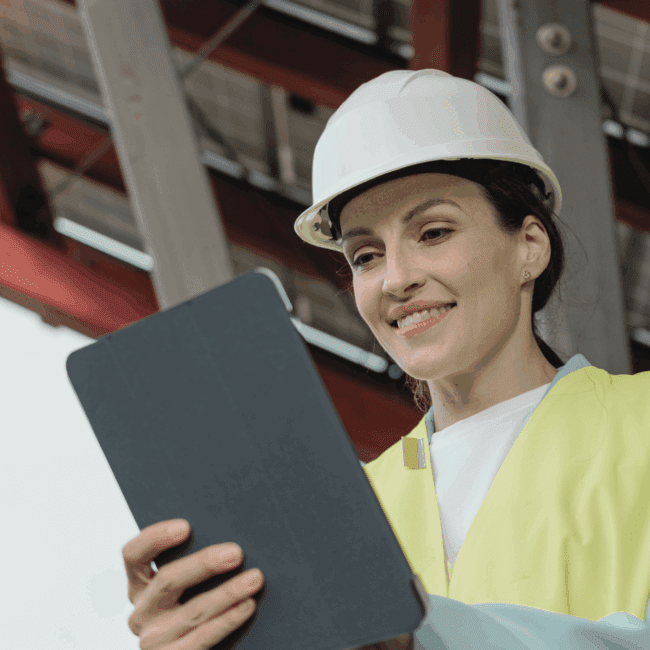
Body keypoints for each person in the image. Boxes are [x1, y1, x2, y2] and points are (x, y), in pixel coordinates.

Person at [122, 70, 650, 649]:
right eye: (366, 255)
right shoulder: (341, 512)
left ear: (530, 246)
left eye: (433, 232)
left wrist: (419, 637)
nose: (396, 279)